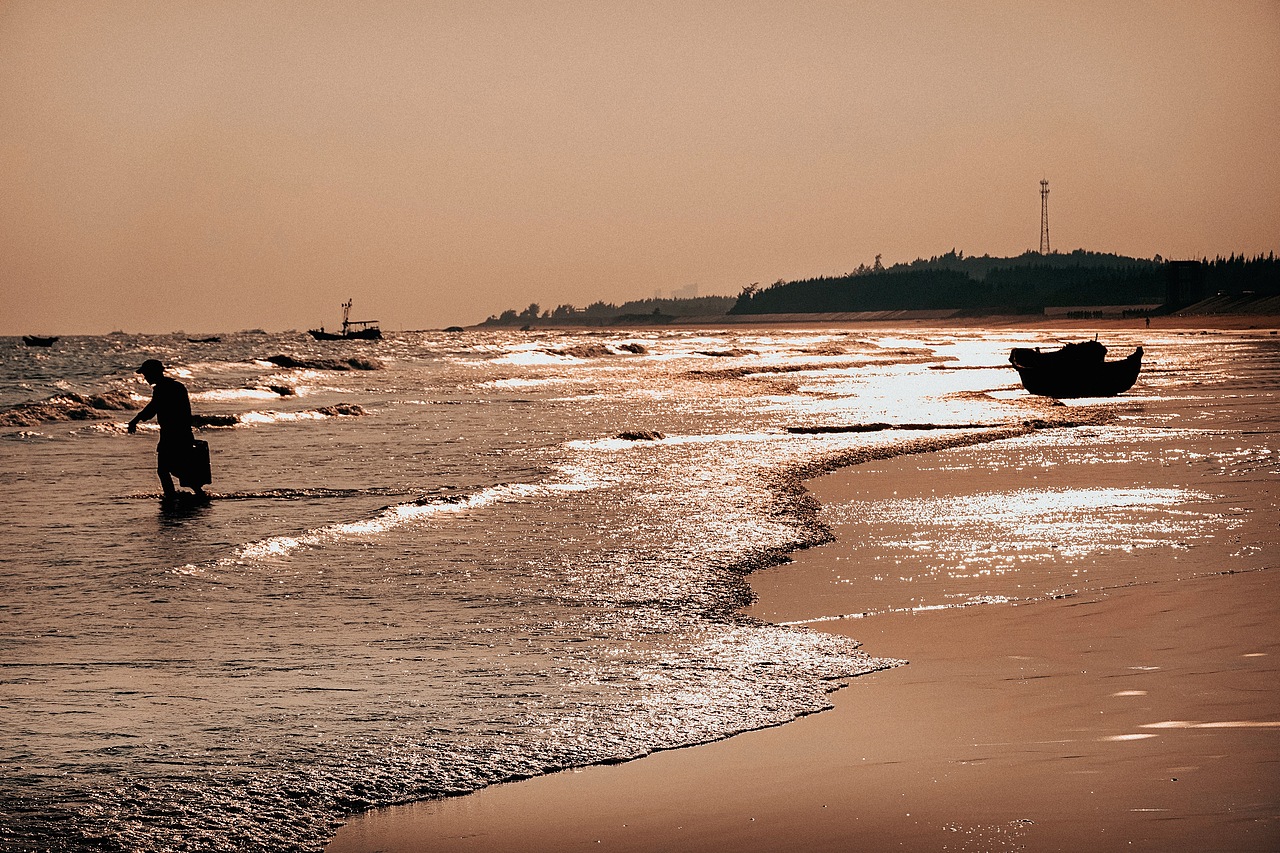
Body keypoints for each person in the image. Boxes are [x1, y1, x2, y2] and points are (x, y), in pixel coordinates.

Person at [128, 359, 205, 500]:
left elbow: (153, 408)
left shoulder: (163, 389)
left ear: (154, 373)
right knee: (176, 467)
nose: (145, 377)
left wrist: (135, 420)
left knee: (164, 469)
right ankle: (196, 493)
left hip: (173, 434)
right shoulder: (175, 386)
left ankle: (171, 496)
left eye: (146, 374)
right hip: (181, 433)